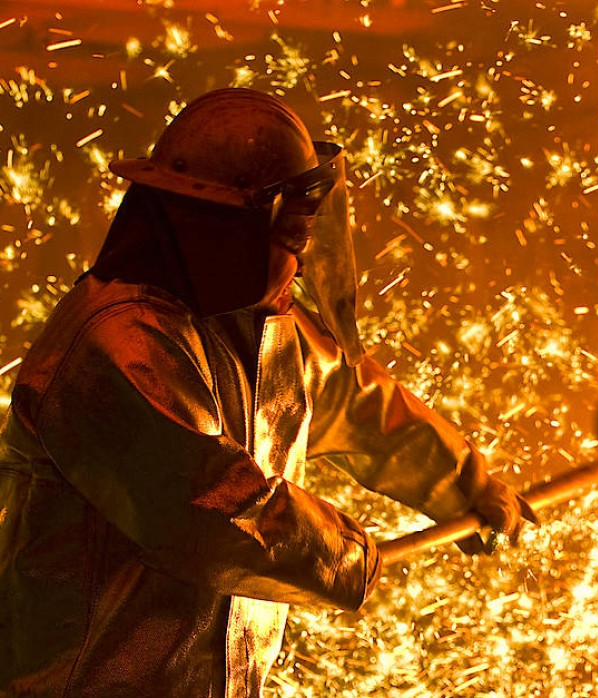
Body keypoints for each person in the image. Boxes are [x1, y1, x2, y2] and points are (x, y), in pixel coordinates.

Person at [0, 88, 533, 697]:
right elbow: (213, 512)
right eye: (290, 240)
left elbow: (361, 404)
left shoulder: (263, 326)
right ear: (226, 230)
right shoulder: (116, 346)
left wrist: (466, 482)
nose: (300, 265)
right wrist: (344, 556)